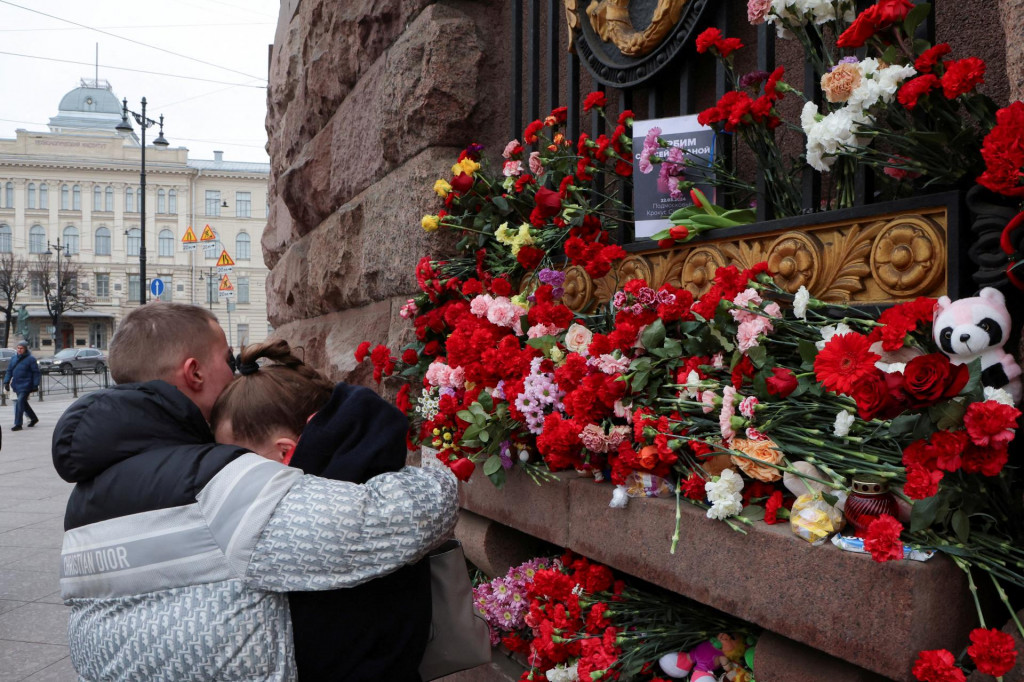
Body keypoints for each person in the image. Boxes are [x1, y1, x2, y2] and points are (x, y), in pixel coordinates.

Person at [52, 302, 458, 681]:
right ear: (194, 373)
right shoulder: (217, 481)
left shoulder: (85, 500)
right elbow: (397, 518)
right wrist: (443, 451)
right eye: (226, 360)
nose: (236, 372)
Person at [210, 340, 431, 681]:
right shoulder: (374, 476)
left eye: (240, 463)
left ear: (285, 453)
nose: (234, 477)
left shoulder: (301, 521)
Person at [4, 340, 40, 431]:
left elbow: (36, 372)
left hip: (26, 384)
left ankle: (18, 424)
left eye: (21, 348)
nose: (19, 350)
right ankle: (34, 418)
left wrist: (36, 384)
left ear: (25, 349)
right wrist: (6, 382)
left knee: (19, 402)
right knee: (23, 403)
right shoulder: (13, 358)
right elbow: (9, 371)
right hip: (16, 384)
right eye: (18, 348)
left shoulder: (31, 359)